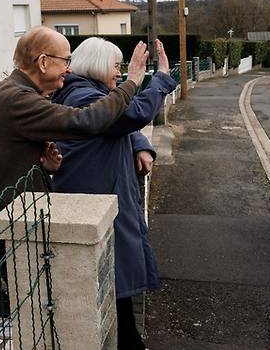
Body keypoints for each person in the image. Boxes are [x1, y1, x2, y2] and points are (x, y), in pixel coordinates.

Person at [0, 27, 148, 278]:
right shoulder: (17, 99)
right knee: (32, 302)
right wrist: (131, 83)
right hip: (9, 219)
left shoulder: (17, 93)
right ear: (43, 62)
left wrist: (44, 166)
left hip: (17, 216)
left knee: (37, 301)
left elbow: (9, 152)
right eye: (66, 60)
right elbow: (86, 121)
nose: (69, 68)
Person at [52, 37, 176, 350]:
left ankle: (130, 340)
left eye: (122, 67)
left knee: (116, 285)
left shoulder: (89, 93)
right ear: (96, 65)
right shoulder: (81, 96)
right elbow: (132, 114)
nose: (119, 73)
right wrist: (157, 76)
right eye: (115, 66)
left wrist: (140, 146)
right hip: (95, 204)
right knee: (112, 282)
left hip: (104, 199)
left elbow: (121, 122)